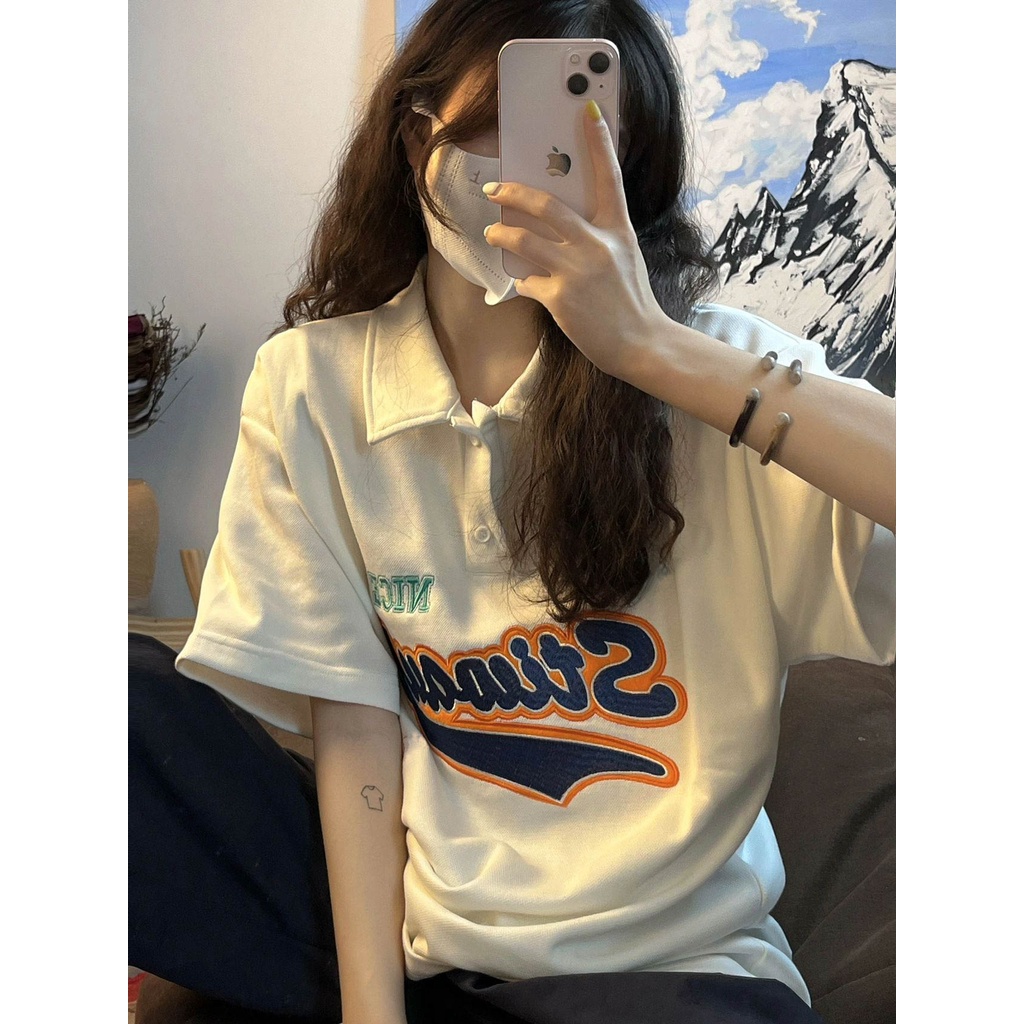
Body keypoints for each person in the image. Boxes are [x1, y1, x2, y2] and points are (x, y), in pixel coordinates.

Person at [129, 2, 895, 1022]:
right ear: (417, 140)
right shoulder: (312, 384)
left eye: (593, 143)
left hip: (672, 975)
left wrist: (649, 347)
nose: (542, 171)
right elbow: (356, 732)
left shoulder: (719, 375)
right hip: (434, 954)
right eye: (510, 125)